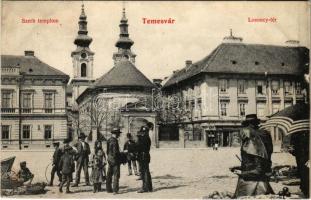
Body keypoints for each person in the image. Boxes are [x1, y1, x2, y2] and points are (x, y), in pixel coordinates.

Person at [230, 114, 274, 198]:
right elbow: (251, 162)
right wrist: (239, 167)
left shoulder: (253, 147)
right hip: (249, 180)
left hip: (255, 185)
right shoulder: (252, 143)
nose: (241, 132)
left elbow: (259, 170)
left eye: (244, 129)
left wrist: (242, 173)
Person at [288, 130, 309, 198]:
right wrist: (293, 151)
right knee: (303, 172)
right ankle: (304, 188)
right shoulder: (296, 133)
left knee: (304, 172)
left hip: (303, 155)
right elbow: (292, 147)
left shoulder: (296, 133)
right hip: (301, 156)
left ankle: (305, 189)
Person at [136, 126, 153, 193]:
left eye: (143, 132)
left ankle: (145, 188)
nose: (143, 133)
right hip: (146, 156)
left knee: (144, 172)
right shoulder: (147, 138)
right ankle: (149, 188)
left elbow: (139, 147)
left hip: (142, 156)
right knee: (147, 172)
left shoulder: (143, 138)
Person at [106, 128, 122, 194]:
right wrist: (121, 154)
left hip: (110, 159)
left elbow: (107, 151)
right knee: (116, 175)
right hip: (115, 160)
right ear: (116, 134)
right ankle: (115, 190)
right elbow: (115, 152)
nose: (119, 135)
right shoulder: (115, 141)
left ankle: (108, 189)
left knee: (109, 174)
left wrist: (110, 157)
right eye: (118, 134)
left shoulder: (109, 140)